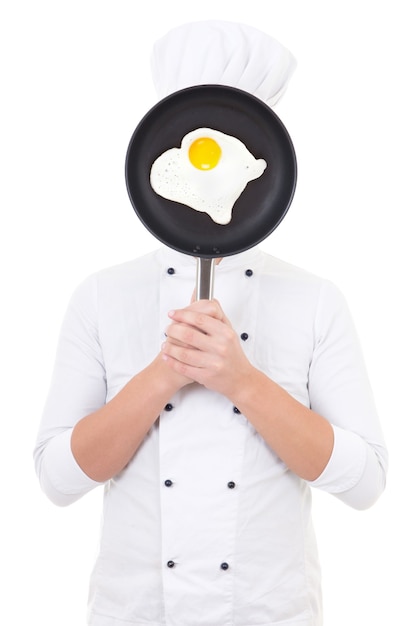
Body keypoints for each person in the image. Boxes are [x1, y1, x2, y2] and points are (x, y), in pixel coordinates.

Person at [34, 20, 388, 626]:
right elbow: (58, 480)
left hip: (269, 613)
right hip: (135, 614)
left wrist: (243, 382)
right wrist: (163, 375)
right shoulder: (101, 296)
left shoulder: (314, 299)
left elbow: (365, 484)